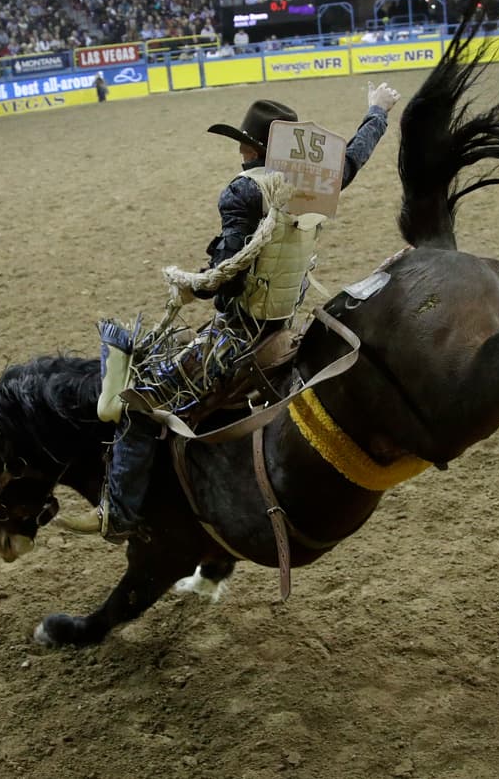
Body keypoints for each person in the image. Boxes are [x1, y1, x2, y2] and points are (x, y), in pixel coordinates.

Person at [96, 82, 402, 542]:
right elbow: (351, 162)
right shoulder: (309, 186)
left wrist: (196, 286)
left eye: (241, 141)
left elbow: (229, 278)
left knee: (141, 398)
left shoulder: (242, 193)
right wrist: (377, 112)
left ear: (250, 147)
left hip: (240, 336)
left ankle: (121, 514)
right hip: (282, 326)